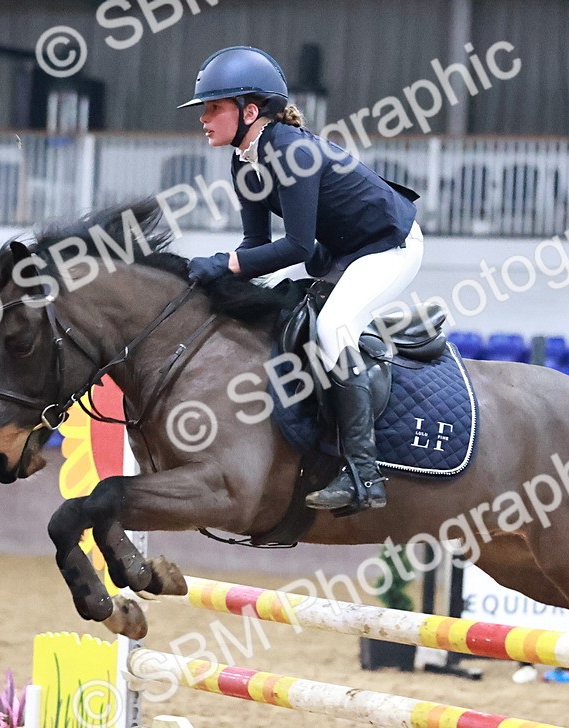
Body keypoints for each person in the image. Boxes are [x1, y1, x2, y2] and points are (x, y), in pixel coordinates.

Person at [180, 46, 424, 514]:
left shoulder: (291, 151)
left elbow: (294, 247)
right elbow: (256, 244)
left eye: (213, 107)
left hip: (391, 245)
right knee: (292, 316)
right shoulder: (244, 161)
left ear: (250, 111)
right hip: (346, 252)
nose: (203, 118)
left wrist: (226, 264)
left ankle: (364, 475)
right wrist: (223, 273)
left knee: (333, 327)